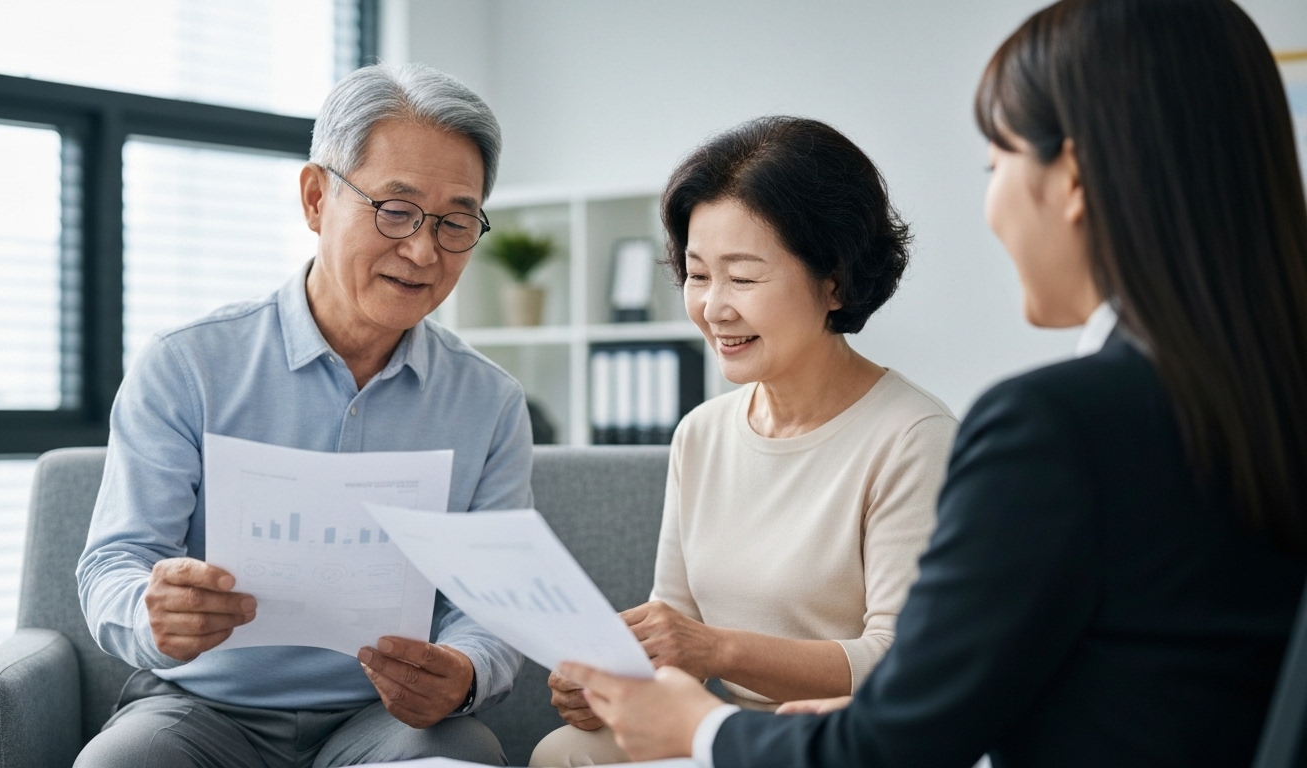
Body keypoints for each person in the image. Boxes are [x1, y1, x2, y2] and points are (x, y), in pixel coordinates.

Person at [556, 0, 1307, 765]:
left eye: (996, 165)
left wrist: (699, 730)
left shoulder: (1054, 429)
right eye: (696, 272)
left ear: (1071, 178)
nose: (991, 207)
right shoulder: (1264, 403)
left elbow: (899, 743)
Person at [75, 63, 529, 767]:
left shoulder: (489, 403)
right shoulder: (187, 364)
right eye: (396, 209)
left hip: (383, 721)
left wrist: (465, 671)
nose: (421, 250)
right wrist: (150, 609)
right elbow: (115, 560)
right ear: (317, 198)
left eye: (456, 222)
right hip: (199, 710)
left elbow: (492, 605)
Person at [530, 116, 959, 767]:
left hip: (842, 743)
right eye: (698, 275)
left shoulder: (913, 437)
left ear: (834, 280)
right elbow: (674, 624)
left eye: (744, 277)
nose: (714, 307)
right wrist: (615, 676)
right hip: (722, 730)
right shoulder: (701, 434)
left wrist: (715, 649)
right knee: (565, 750)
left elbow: (900, 663)